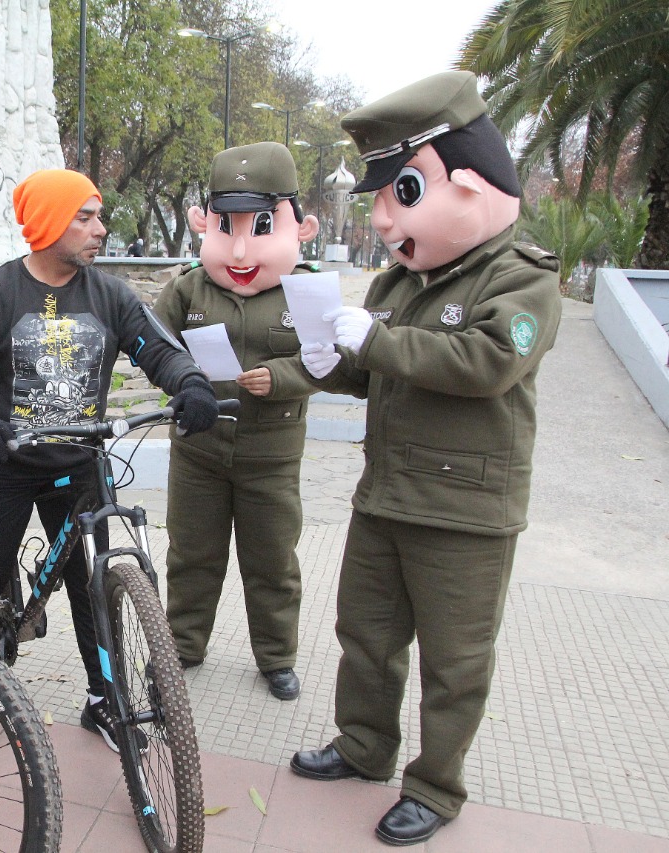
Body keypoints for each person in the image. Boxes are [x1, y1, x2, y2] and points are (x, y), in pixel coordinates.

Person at [289, 71, 562, 846]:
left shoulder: (521, 278)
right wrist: (328, 358)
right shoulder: (402, 281)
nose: (384, 219)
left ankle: (437, 786)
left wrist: (377, 341)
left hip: (465, 511)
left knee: (455, 661)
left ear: (471, 184)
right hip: (387, 495)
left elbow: (487, 362)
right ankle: (364, 745)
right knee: (366, 635)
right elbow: (376, 369)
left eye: (401, 191)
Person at [0, 168, 220, 763]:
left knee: (92, 586)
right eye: (85, 217)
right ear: (49, 222)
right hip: (6, 465)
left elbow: (158, 349)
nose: (100, 229)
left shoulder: (109, 295)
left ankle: (103, 698)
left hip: (81, 465)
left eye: (98, 216)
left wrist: (190, 383)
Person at [153, 141, 320, 700]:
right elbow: (153, 345)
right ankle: (182, 645)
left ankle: (277, 657)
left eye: (262, 225)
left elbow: (331, 363)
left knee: (272, 561)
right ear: (205, 222)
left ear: (299, 226)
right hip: (198, 450)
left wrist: (282, 377)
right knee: (191, 554)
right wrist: (183, 381)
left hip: (271, 455)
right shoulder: (188, 288)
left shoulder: (306, 291)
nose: (242, 248)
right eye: (227, 225)